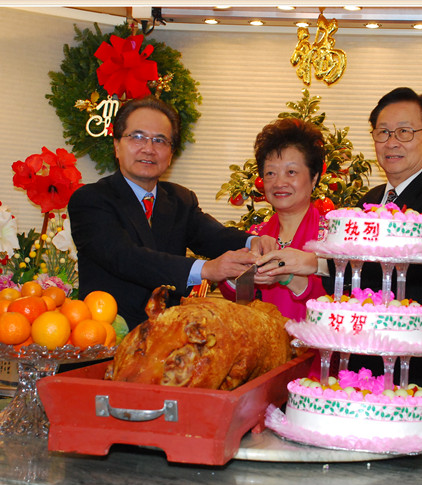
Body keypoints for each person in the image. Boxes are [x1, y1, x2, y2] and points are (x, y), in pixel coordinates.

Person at [68, 96, 274, 330]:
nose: (148, 148)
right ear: (117, 145)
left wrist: (252, 241)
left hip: (169, 339)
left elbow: (213, 236)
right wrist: (206, 269)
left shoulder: (180, 199)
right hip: (107, 337)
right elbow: (125, 257)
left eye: (160, 140)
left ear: (171, 154)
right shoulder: (90, 199)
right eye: (137, 137)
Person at [342, 87, 422, 421]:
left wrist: (318, 264)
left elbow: (413, 274)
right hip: (367, 369)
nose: (392, 142)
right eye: (383, 132)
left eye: (404, 132)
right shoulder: (368, 201)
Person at [220, 118, 327, 320]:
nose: (279, 182)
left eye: (291, 172)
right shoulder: (255, 235)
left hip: (314, 339)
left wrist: (288, 277)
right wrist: (236, 273)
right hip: (264, 337)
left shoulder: (332, 237)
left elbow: (339, 300)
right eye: (270, 173)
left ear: (314, 178)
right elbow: (236, 299)